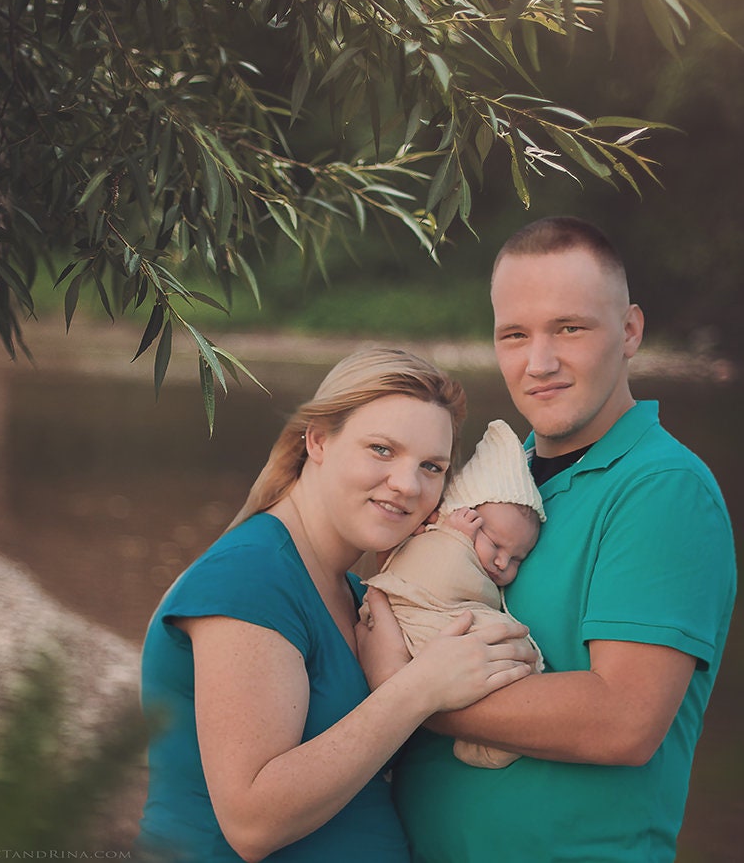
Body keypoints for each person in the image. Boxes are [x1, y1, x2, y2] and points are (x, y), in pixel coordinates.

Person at [358, 217, 738, 862]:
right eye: (515, 335)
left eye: (570, 328)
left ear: (630, 330)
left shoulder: (661, 489)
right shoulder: (492, 484)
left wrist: (402, 692)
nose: (540, 363)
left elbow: (622, 721)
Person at [138, 348, 539, 863]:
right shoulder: (253, 576)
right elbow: (251, 822)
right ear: (319, 439)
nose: (407, 484)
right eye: (381, 449)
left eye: (431, 467)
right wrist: (418, 688)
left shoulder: (351, 591)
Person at [362, 418, 548, 769]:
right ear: (454, 516)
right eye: (493, 543)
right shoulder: (438, 540)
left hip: (437, 644)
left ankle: (484, 738)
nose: (501, 561)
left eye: (517, 558)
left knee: (504, 649)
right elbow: (421, 575)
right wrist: (455, 537)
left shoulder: (479, 559)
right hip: (415, 621)